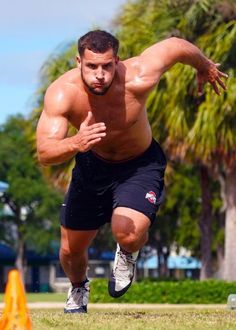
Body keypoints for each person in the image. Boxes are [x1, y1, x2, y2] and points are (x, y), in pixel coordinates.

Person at [36, 30, 227, 313]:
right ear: (78, 62)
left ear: (117, 61)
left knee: (127, 233)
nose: (99, 74)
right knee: (70, 250)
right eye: (91, 66)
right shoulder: (63, 93)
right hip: (92, 166)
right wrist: (75, 142)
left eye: (107, 66)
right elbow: (44, 153)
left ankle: (127, 253)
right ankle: (78, 289)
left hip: (139, 164)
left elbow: (175, 46)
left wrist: (204, 66)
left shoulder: (138, 75)